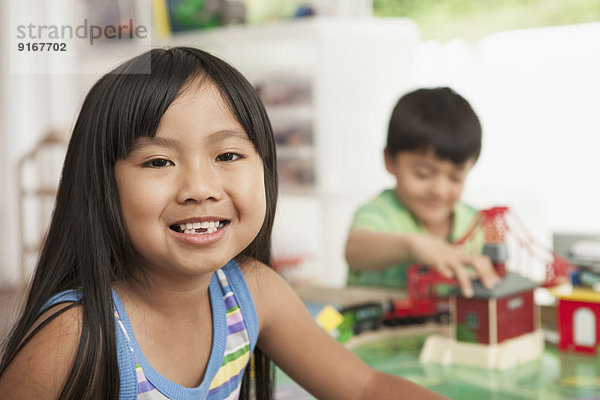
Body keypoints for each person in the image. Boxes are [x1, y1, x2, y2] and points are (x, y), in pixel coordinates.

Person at [0, 48, 447, 399]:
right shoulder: (75, 334)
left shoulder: (250, 292)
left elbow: (365, 388)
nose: (200, 187)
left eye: (228, 155)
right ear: (103, 185)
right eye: (158, 160)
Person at [345, 87, 500, 297]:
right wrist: (414, 245)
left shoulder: (478, 224)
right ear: (390, 160)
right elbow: (355, 249)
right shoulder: (379, 213)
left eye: (455, 177)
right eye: (423, 174)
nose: (439, 190)